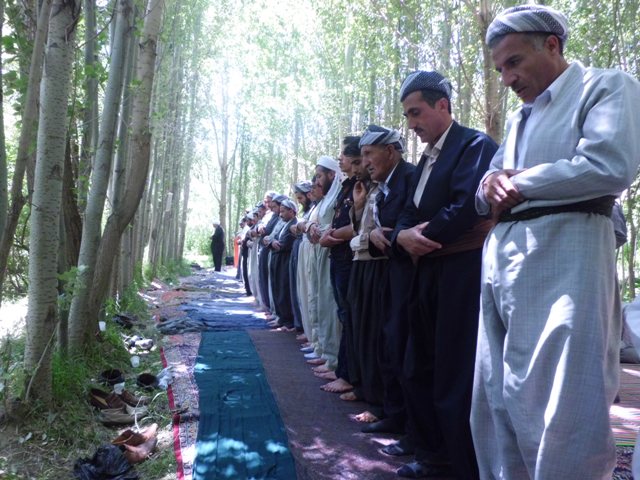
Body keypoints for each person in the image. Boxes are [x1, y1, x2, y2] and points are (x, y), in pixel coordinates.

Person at [471, 5, 640, 479]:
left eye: (514, 62)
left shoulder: (605, 86)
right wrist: (489, 185)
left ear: (551, 45)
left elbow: (609, 165)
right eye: (500, 69)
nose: (508, 78)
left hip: (569, 258)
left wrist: (518, 183)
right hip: (503, 264)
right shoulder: (521, 118)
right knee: (498, 397)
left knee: (565, 400)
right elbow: (489, 183)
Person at [392, 70, 498, 479]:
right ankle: (431, 452)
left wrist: (420, 236)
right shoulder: (425, 159)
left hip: (461, 271)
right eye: (407, 115)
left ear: (443, 105)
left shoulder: (475, 145)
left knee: (455, 369)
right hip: (427, 271)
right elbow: (408, 210)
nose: (411, 124)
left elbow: (467, 206)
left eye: (416, 112)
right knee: (418, 363)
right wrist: (402, 236)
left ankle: (460, 463)